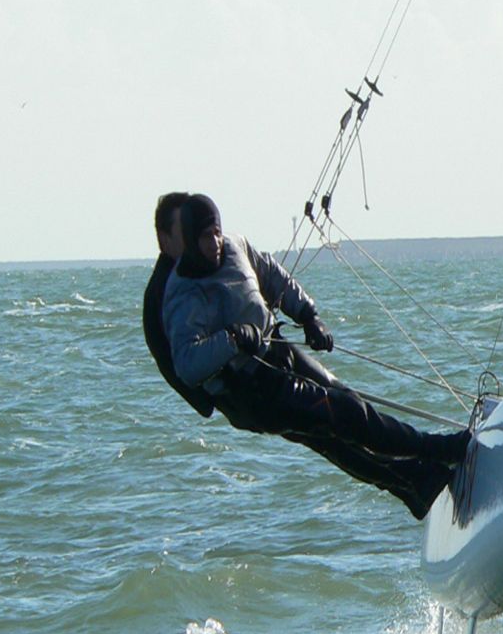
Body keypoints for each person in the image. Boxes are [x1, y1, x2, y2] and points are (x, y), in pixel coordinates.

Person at [163, 194, 469, 519]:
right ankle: (438, 450)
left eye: (216, 232)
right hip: (255, 390)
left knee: (340, 418)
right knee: (346, 415)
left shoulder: (235, 246)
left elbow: (270, 273)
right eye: (204, 237)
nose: (214, 243)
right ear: (190, 241)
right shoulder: (183, 293)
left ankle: (418, 483)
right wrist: (233, 339)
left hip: (280, 351)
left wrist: (308, 316)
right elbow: (186, 364)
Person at [143, 191, 215, 418]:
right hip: (221, 390)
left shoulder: (191, 271)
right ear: (165, 240)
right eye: (185, 230)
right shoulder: (167, 288)